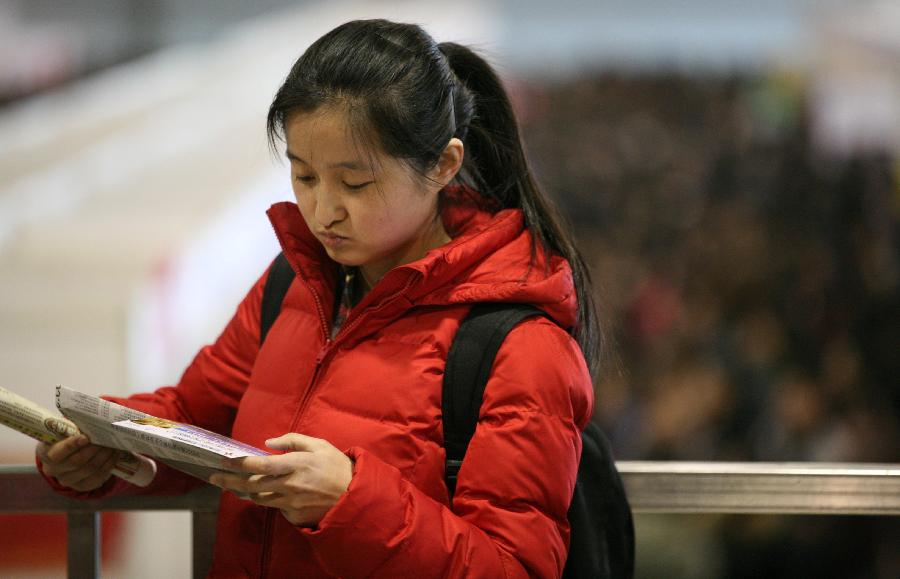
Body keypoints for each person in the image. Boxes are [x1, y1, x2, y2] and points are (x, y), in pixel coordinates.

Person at [36, 19, 600, 578]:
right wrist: (108, 445)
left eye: (354, 184)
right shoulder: (294, 285)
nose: (324, 210)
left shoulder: (519, 346)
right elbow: (193, 418)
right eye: (304, 176)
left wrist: (351, 504)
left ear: (442, 166)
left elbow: (513, 567)